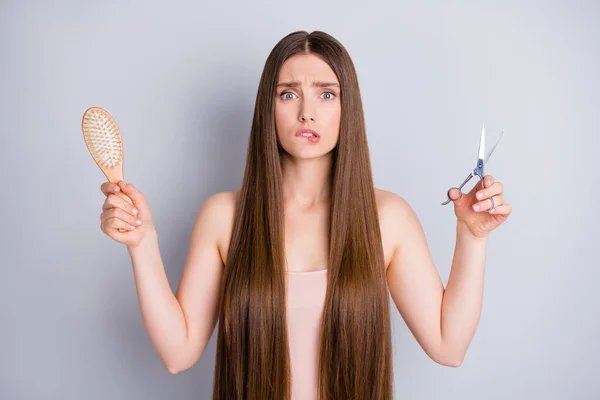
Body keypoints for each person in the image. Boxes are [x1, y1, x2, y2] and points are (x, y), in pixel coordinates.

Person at [98, 30, 511, 400]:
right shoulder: (223, 216)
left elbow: (448, 346)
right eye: (288, 93)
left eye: (327, 94)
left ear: (347, 109)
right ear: (269, 108)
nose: (307, 112)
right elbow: (177, 353)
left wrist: (473, 237)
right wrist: (142, 243)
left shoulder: (388, 218)